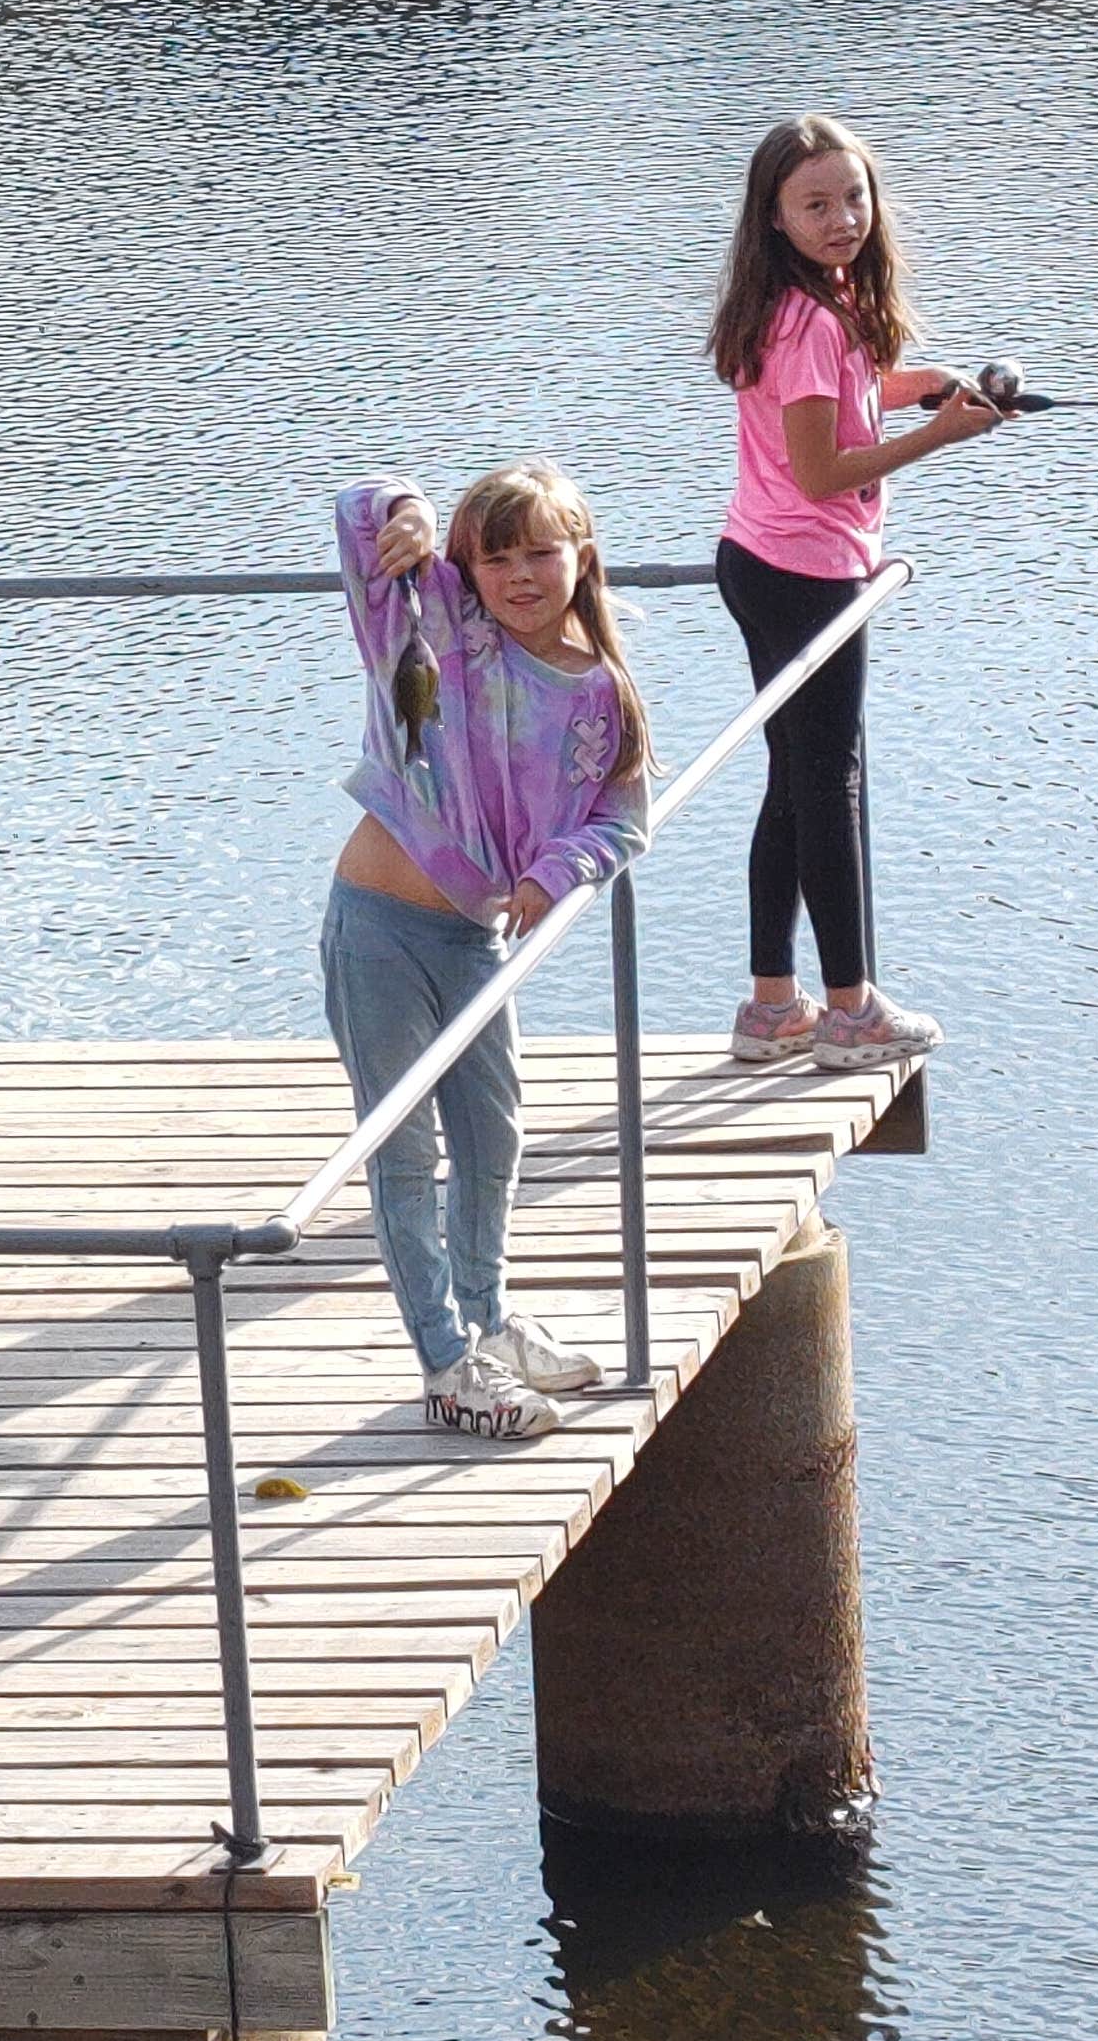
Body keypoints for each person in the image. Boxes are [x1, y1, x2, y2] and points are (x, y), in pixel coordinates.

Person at [325, 462, 652, 1441]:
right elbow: (358, 524)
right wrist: (405, 517)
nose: (518, 576)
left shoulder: (601, 691)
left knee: (493, 1133)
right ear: (468, 571)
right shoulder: (445, 635)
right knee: (404, 1144)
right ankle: (443, 1357)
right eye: (495, 557)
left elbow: (621, 817)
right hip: (377, 925)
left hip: (474, 937)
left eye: (540, 553)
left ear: (580, 558)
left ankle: (489, 1317)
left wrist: (557, 867)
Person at [708, 113, 1002, 1069]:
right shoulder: (808, 324)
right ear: (777, 219)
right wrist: (940, 438)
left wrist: (934, 387)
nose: (842, 220)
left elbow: (861, 392)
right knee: (830, 787)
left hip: (762, 562)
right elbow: (822, 473)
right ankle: (850, 1012)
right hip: (806, 577)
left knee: (794, 786)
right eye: (815, 205)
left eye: (853, 198)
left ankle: (770, 1008)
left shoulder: (812, 302)